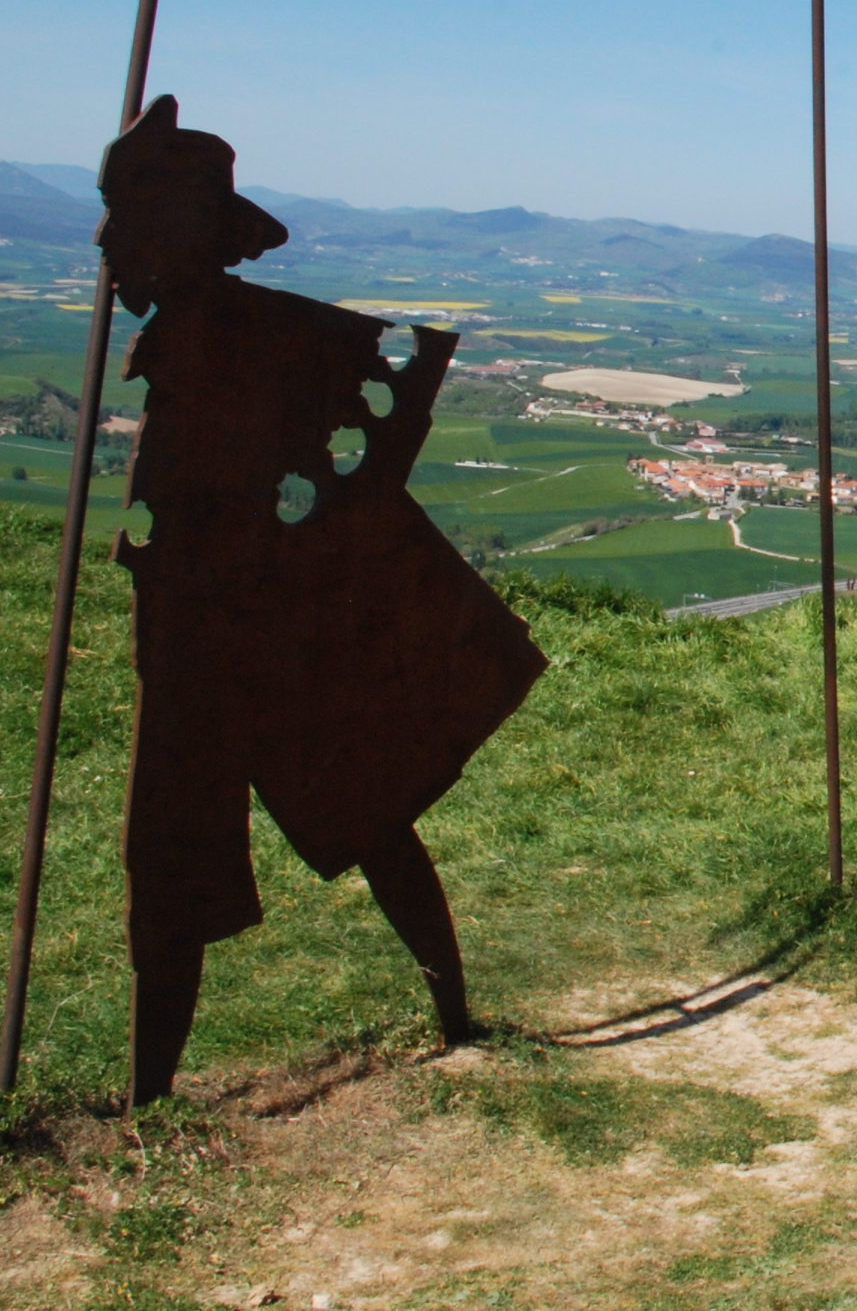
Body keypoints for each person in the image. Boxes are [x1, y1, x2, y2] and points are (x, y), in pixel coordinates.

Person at [99, 97, 545, 1106]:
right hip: (202, 634)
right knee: (204, 852)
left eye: (125, 225)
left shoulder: (247, 334)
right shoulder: (198, 336)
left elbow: (383, 400)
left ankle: (157, 1095)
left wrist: (292, 540)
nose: (107, 246)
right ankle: (155, 1091)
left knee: (319, 822)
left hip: (238, 634)